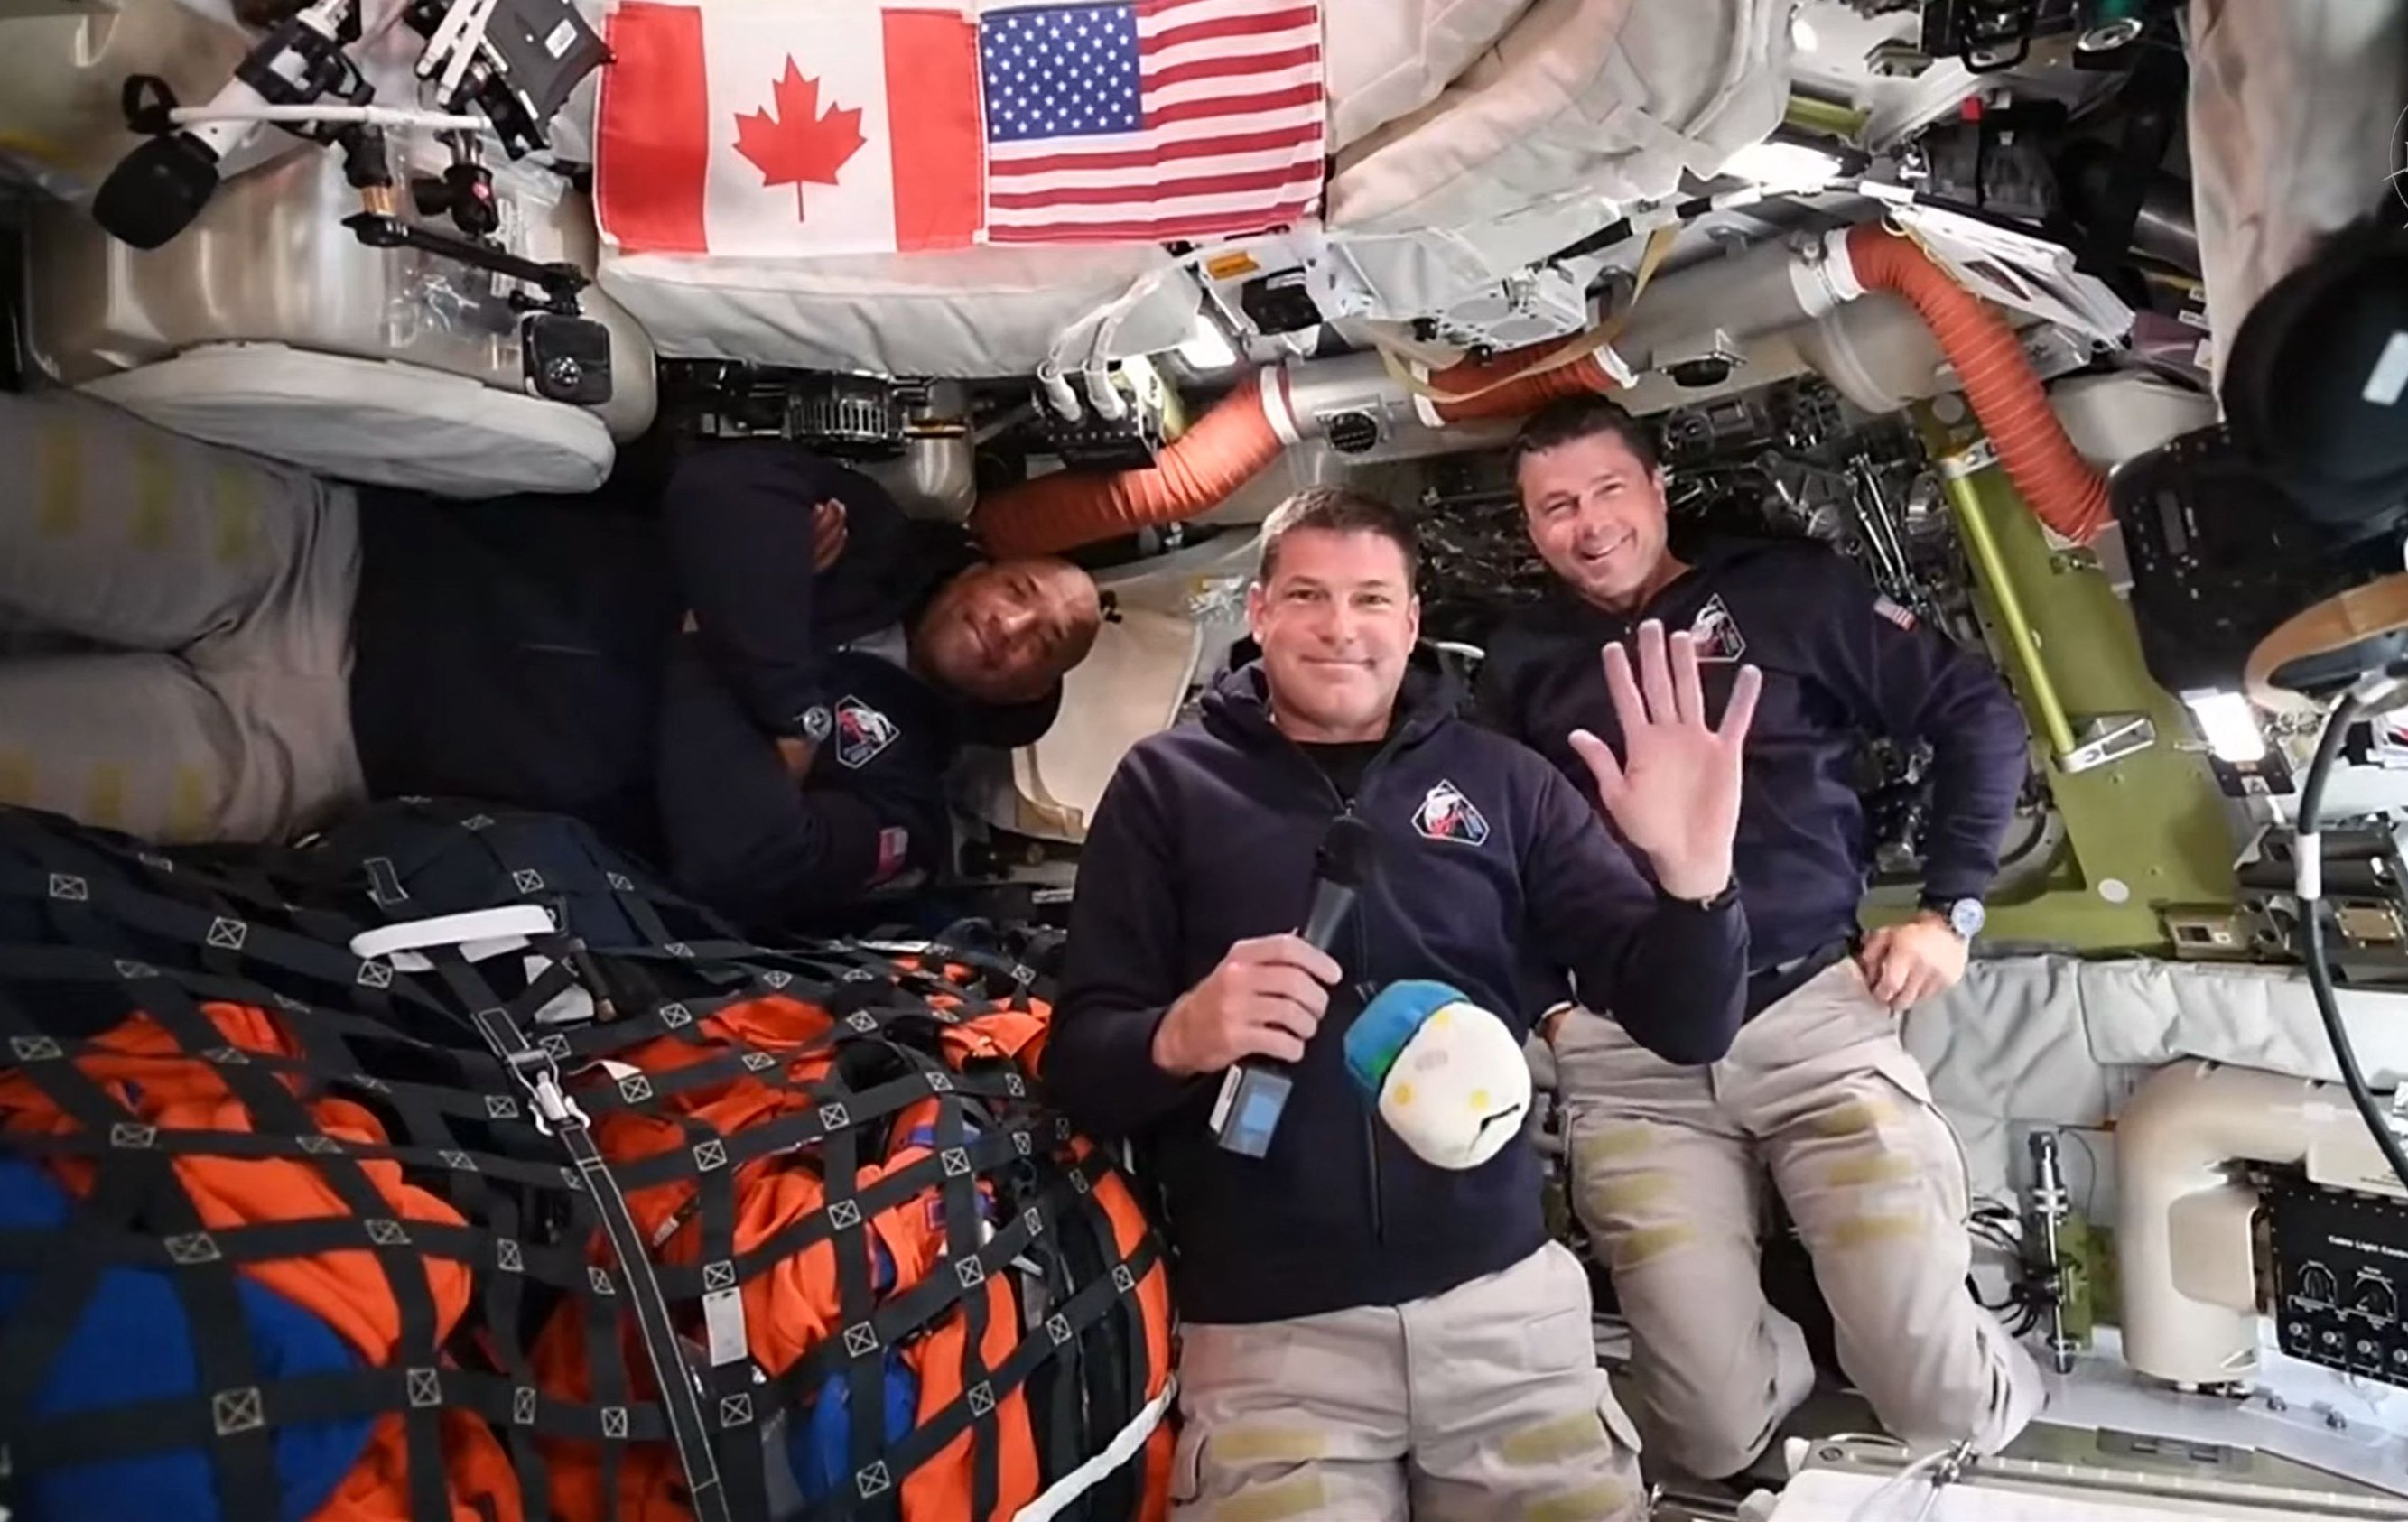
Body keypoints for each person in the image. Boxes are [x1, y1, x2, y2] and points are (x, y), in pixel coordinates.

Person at [1045, 485, 1759, 1520]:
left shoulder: (1506, 784)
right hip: (1274, 1345)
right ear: (1260, 612)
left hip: (1505, 1318)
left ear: (1412, 620)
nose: (1341, 627)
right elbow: (1080, 1068)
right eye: (1308, 596)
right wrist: (1180, 1034)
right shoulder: (1166, 787)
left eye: (1372, 599)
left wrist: (1698, 887)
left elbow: (1689, 1023)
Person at [1477, 395, 2044, 1480]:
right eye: (1556, 507)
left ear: (1657, 489)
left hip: (1811, 1023)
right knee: (1703, 1436)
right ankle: (1778, 1373)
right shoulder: (1524, 662)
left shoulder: (1785, 593)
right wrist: (1545, 1006)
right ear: (1530, 526)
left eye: (1608, 490)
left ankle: (1964, 1376)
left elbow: (1975, 712)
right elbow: (1499, 850)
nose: (1589, 525)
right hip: (1630, 1057)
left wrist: (1952, 913)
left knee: (1940, 1401)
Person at [0, 388, 1100, 922]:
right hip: (319, 552)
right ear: (981, 569)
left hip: (308, 755)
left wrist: (722, 641)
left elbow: (740, 859)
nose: (1014, 627)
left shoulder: (902, 809)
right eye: (1021, 593)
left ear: (1026, 697)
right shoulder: (874, 535)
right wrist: (779, 709)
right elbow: (725, 494)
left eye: (1043, 645)